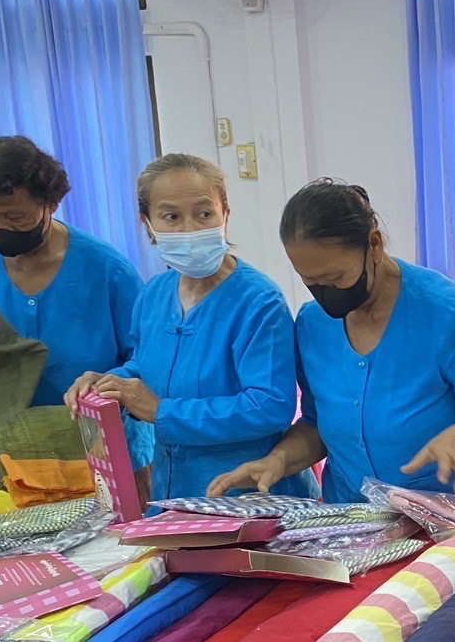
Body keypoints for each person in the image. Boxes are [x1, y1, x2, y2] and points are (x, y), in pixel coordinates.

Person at [207, 180, 455, 512]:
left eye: (337, 278)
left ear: (374, 245)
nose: (325, 292)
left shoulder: (446, 314)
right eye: (311, 282)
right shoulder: (312, 324)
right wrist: (278, 461)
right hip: (356, 517)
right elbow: (316, 424)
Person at [64, 154, 313, 501]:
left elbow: (270, 405)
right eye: (171, 217)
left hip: (247, 496)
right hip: (173, 491)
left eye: (204, 214)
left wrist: (162, 412)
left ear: (225, 213)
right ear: (147, 223)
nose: (190, 229)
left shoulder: (257, 301)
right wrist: (111, 383)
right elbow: (149, 365)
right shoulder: (154, 294)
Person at [0, 136, 153, 478]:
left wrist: (110, 381)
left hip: (100, 451)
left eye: (16, 217)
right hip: (1, 458)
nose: (1, 227)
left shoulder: (106, 269)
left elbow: (150, 358)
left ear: (50, 203)